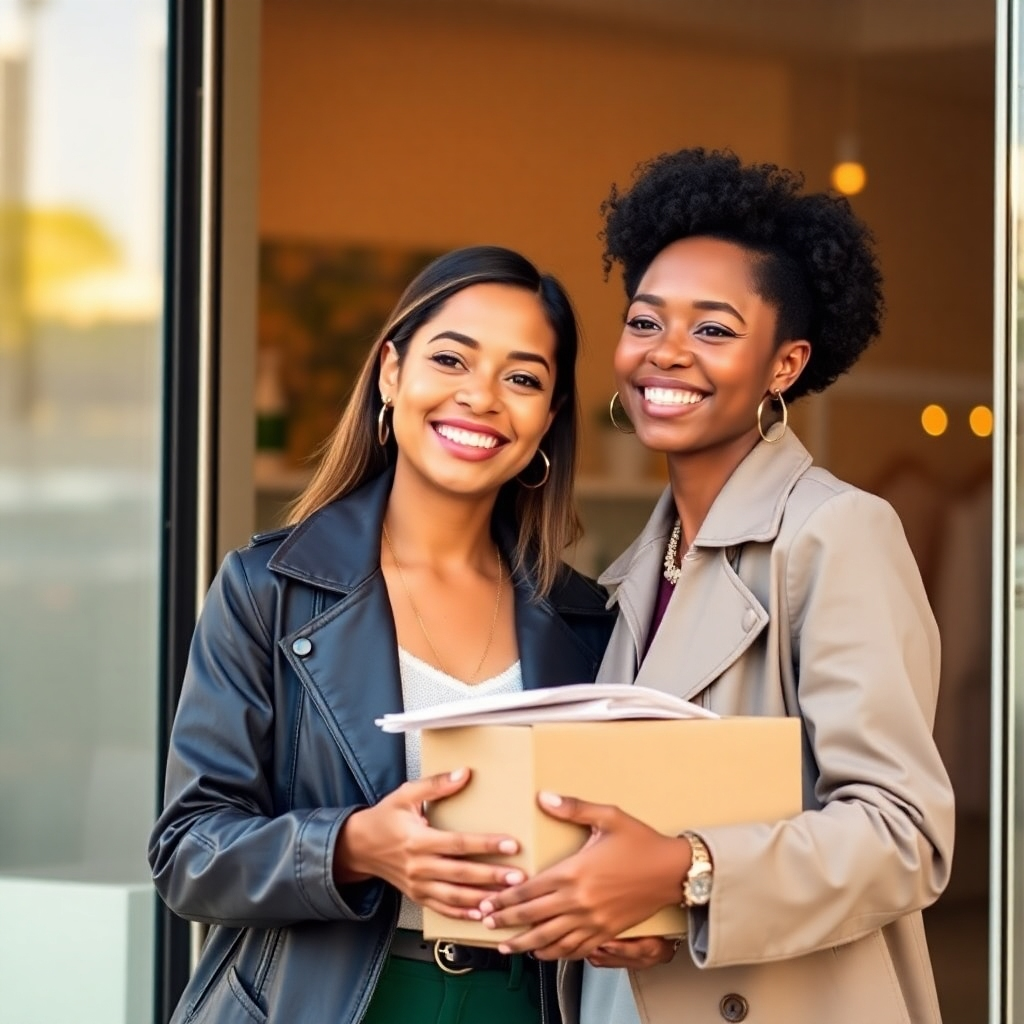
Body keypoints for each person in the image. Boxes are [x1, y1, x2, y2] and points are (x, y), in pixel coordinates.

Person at [475, 149, 956, 1024]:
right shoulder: (631, 573)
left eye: (714, 330)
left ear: (785, 364)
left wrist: (683, 869)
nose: (667, 355)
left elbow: (903, 835)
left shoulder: (834, 535)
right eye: (647, 321)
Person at [148, 245, 615, 1024]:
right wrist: (355, 845)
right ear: (391, 374)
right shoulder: (269, 591)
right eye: (451, 359)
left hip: (516, 1004)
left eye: (523, 378)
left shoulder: (588, 621)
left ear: (549, 420)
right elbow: (188, 854)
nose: (483, 397)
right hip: (319, 1003)